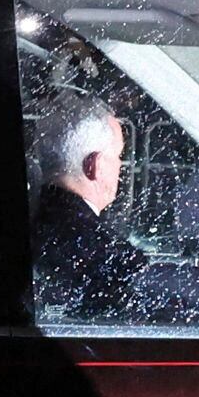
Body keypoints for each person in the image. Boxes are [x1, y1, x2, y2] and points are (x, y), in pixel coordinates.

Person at [26, 91, 150, 321]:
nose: (121, 166)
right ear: (96, 165)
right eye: (119, 155)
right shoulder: (111, 259)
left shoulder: (17, 223)